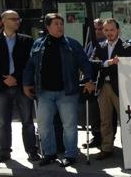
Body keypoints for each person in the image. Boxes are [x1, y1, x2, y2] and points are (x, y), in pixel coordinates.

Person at [23, 13, 96, 167]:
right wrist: (26, 83)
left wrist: (89, 79)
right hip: (44, 93)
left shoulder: (72, 44)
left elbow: (85, 63)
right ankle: (49, 154)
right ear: (48, 27)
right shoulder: (37, 45)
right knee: (44, 125)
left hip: (67, 92)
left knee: (69, 125)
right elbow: (30, 66)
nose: (60, 27)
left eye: (61, 24)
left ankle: (70, 155)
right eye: (56, 24)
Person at [0, 10, 39, 163]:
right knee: (4, 122)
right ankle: (4, 153)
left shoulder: (27, 40)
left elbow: (29, 63)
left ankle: (32, 151)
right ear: (4, 21)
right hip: (1, 86)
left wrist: (16, 77)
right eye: (14, 19)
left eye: (18, 19)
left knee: (27, 121)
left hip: (21, 86)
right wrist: (4, 79)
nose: (18, 21)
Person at [89, 18, 131, 160]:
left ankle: (129, 149)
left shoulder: (126, 47)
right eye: (106, 30)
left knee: (124, 120)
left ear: (118, 30)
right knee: (105, 120)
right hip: (103, 87)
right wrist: (108, 63)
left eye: (112, 30)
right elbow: (93, 64)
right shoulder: (99, 46)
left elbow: (126, 65)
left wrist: (104, 65)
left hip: (120, 86)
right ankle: (106, 147)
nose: (109, 33)